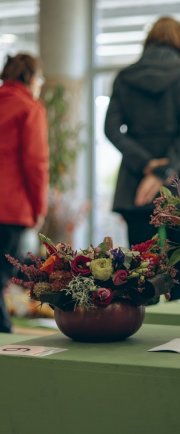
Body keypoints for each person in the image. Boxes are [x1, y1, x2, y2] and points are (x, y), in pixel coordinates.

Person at [104, 16, 180, 300]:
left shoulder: (126, 76)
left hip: (135, 182)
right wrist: (165, 169)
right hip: (179, 178)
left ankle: (140, 322)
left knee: (138, 266)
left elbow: (111, 129)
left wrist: (147, 165)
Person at [0, 53, 49, 332]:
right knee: (2, 276)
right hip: (10, 208)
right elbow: (35, 163)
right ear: (30, 77)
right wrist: (39, 208)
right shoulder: (29, 107)